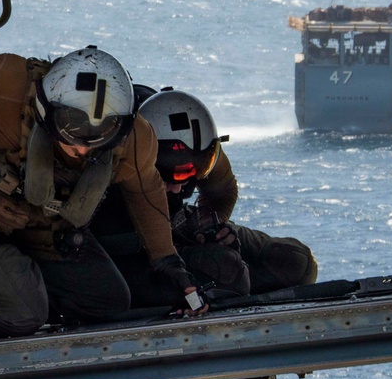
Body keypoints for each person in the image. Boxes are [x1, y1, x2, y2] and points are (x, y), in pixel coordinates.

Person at [0, 0, 202, 339]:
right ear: (46, 111)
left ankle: (18, 286)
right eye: (72, 137)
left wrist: (169, 263)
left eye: (97, 141)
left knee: (107, 302)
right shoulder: (0, 84)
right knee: (21, 313)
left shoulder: (135, 141)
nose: (82, 150)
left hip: (42, 228)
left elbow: (146, 195)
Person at [91, 87, 317, 303]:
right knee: (227, 273)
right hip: (125, 245)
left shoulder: (195, 142)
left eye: (188, 178)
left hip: (177, 223)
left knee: (297, 262)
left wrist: (209, 225)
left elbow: (223, 192)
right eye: (165, 179)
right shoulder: (110, 156)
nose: (178, 189)